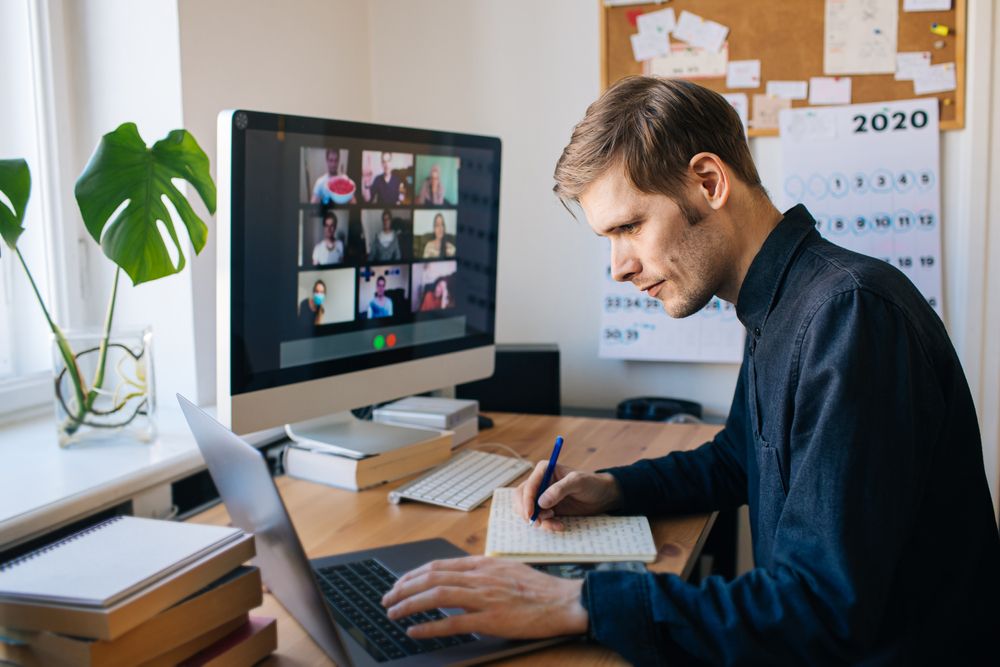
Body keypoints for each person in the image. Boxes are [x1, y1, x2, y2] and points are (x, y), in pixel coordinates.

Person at [380, 77, 1000, 664]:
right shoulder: (784, 302)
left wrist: (572, 600)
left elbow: (824, 612)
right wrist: (616, 489)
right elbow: (740, 458)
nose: (619, 267)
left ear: (708, 181)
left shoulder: (847, 315)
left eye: (629, 226)